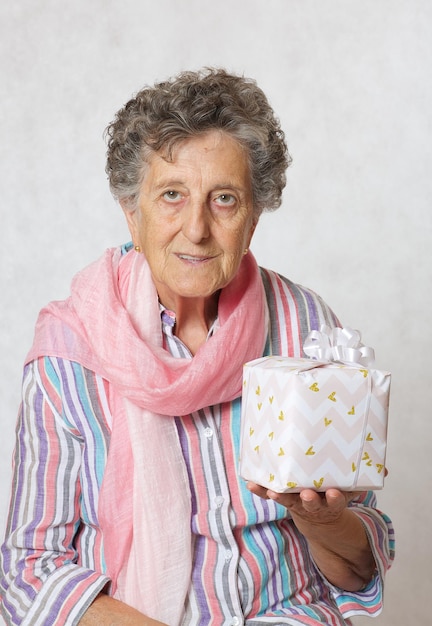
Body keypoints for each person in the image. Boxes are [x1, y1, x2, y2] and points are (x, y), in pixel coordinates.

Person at [0, 68, 394, 626]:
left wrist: (326, 522)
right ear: (131, 214)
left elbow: (357, 568)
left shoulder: (307, 328)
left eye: (225, 200)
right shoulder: (69, 355)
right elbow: (29, 573)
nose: (197, 228)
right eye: (171, 196)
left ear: (253, 218)